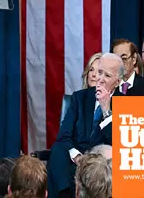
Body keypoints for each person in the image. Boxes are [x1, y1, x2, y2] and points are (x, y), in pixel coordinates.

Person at [47, 53, 123, 198]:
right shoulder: (80, 97)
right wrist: (77, 157)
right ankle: (64, 193)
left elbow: (120, 143)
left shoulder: (125, 103)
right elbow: (64, 136)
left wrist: (107, 110)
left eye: (106, 75)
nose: (99, 78)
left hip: (103, 165)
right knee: (58, 149)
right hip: (77, 160)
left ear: (117, 82)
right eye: (99, 72)